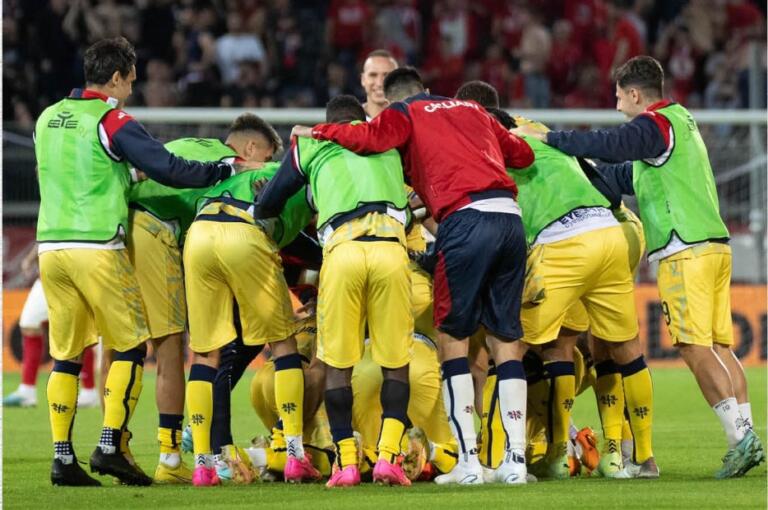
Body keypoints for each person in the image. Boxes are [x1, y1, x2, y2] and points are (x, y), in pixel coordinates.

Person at [516, 55, 764, 479]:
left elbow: (611, 145)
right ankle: (746, 434)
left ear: (635, 95)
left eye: (618, 99)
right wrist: (575, 169)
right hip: (713, 246)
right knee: (721, 347)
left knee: (692, 346)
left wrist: (552, 138)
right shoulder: (679, 125)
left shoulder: (655, 124)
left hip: (682, 248)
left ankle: (740, 441)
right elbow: (620, 175)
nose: (616, 107)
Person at [292, 67, 534, 485]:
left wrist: (318, 131)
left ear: (392, 99)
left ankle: (470, 464)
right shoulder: (473, 107)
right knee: (506, 338)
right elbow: (522, 156)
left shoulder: (404, 113)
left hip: (464, 218)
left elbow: (367, 138)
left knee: (452, 338)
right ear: (426, 87)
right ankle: (515, 462)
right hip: (510, 220)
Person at [35, 36, 236, 487]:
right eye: (130, 79)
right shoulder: (111, 119)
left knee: (65, 355)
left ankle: (62, 457)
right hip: (98, 244)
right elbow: (167, 167)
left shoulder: (47, 118)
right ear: (115, 78)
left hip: (50, 244)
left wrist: (123, 173)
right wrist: (219, 171)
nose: (132, 87)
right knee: (129, 346)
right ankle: (110, 445)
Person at [257, 95, 414, 487]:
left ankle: (345, 464)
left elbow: (268, 202)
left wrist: (311, 193)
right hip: (391, 251)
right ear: (361, 120)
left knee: (336, 366)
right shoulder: (390, 142)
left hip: (341, 252)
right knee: (396, 363)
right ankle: (388, 459)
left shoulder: (310, 144)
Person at [125, 113, 281, 484]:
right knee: (200, 347)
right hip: (157, 230)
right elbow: (280, 175)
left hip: (118, 228)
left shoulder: (185, 148)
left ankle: (117, 442)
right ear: (251, 149)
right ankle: (196, 451)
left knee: (123, 348)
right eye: (266, 156)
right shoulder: (232, 168)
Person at [183, 152, 315, 486]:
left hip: (198, 233)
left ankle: (203, 465)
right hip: (244, 231)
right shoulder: (309, 168)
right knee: (283, 343)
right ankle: (295, 455)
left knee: (206, 353)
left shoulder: (232, 172)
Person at [4, 246, 98, 409]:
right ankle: (27, 389)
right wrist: (31, 258)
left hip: (66, 270)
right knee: (31, 324)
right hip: (54, 271)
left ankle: (88, 391)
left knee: (74, 331)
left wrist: (31, 258)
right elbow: (44, 234)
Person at [360, 49, 398, 119]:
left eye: (387, 75)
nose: (380, 83)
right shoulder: (347, 123)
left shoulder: (412, 123)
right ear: (363, 79)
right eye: (373, 75)